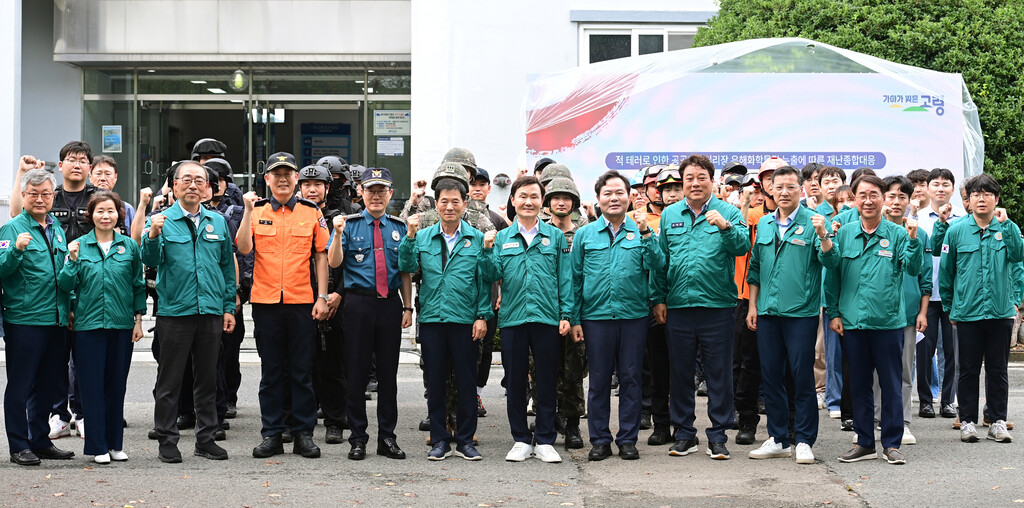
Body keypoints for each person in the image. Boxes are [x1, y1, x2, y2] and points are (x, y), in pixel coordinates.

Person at [651, 154, 749, 461]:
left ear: (712, 181)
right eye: (689, 178)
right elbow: (661, 260)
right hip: (678, 306)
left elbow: (743, 246)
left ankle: (718, 436)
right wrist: (659, 298)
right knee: (680, 374)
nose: (695, 183)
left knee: (719, 374)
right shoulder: (670, 215)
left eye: (701, 177)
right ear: (683, 183)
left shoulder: (729, 211)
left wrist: (725, 228)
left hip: (717, 305)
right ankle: (684, 434)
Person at [237, 153, 331, 460]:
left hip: (302, 301)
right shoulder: (257, 210)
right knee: (272, 372)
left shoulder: (310, 211)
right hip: (266, 303)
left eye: (287, 174)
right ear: (266, 179)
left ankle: (303, 433)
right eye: (275, 174)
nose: (281, 179)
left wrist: (322, 296)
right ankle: (272, 434)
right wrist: (248, 212)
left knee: (302, 372)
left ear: (296, 180)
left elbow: (320, 255)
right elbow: (243, 247)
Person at [142, 161, 236, 463]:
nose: (193, 185)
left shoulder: (218, 221)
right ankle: (167, 439)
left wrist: (228, 306)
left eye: (200, 180)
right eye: (187, 180)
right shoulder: (159, 219)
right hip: (175, 312)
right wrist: (153, 235)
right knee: (170, 380)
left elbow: (226, 267)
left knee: (207, 379)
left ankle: (206, 438)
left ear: (208, 187)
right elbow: (148, 259)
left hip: (209, 311)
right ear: (174, 185)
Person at [827, 175, 922, 465]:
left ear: (883, 198)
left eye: (874, 195)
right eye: (862, 195)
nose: (868, 201)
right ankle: (864, 441)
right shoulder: (844, 233)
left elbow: (913, 267)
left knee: (892, 385)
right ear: (854, 199)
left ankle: (891, 443)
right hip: (853, 322)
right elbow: (833, 275)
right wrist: (833, 312)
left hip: (888, 322)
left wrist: (914, 238)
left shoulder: (898, 233)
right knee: (858, 385)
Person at [745, 165, 837, 464]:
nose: (784, 192)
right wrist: (752, 305)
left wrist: (823, 234)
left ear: (802, 190)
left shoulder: (814, 224)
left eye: (790, 187)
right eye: (778, 187)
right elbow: (755, 268)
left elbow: (830, 260)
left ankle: (804, 439)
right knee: (771, 376)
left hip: (800, 314)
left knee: (801, 377)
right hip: (768, 312)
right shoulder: (766, 225)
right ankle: (778, 438)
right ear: (770, 190)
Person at [480, 175, 572, 464]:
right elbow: (490, 275)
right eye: (523, 196)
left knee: (546, 380)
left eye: (534, 196)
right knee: (516, 382)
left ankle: (545, 439)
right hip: (513, 319)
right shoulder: (502, 237)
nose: (528, 201)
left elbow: (565, 278)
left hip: (546, 318)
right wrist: (485, 250)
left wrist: (566, 313)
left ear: (541, 202)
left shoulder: (554, 236)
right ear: (513, 201)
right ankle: (520, 438)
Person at [400, 178, 491, 461]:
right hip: (433, 319)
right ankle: (439, 440)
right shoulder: (424, 236)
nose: (449, 207)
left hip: (465, 320)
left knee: (466, 382)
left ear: (465, 204)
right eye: (444, 201)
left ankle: (465, 441)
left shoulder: (477, 238)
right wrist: (410, 236)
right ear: (435, 204)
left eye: (455, 201)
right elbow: (406, 266)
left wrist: (482, 316)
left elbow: (484, 282)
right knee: (436, 383)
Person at [570, 171, 659, 461]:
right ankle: (599, 439)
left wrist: (646, 233)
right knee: (597, 381)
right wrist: (575, 319)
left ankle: (628, 439)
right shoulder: (585, 234)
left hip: (633, 317)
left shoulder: (641, 231)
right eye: (607, 193)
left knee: (631, 378)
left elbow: (657, 264)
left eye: (619, 192)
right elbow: (575, 279)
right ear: (598, 199)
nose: (614, 198)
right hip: (596, 317)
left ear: (629, 196)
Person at [328, 167, 413, 461]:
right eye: (370, 190)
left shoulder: (399, 228)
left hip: (389, 304)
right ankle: (358, 438)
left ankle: (387, 437)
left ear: (390, 194)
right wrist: (337, 235)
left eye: (381, 191)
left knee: (389, 376)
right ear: (360, 193)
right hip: (358, 305)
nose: (376, 196)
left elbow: (404, 272)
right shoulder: (348, 224)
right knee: (356, 374)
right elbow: (334, 261)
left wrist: (407, 306)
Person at [14, 143, 98, 442]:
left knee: (87, 360)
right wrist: (22, 173)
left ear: (91, 167)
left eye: (83, 161)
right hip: (53, 297)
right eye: (71, 160)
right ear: (60, 165)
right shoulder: (47, 197)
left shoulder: (98, 199)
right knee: (54, 366)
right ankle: (59, 416)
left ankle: (85, 414)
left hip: (89, 291)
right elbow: (16, 218)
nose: (77, 165)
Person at [57, 191, 146, 464]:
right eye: (99, 211)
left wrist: (139, 319)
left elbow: (137, 285)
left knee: (116, 385)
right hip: (88, 325)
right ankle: (97, 446)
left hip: (121, 325)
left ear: (119, 214)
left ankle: (114, 444)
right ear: (90, 215)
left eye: (110, 211)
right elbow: (65, 285)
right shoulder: (77, 246)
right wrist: (71, 261)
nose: (105, 216)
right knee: (91, 387)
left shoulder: (129, 247)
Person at [936, 174, 1023, 443]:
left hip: (999, 312)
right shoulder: (956, 231)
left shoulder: (1008, 228)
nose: (981, 198)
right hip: (968, 312)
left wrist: (1016, 301)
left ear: (996, 199)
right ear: (969, 201)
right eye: (976, 194)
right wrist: (951, 307)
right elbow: (947, 274)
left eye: (987, 194)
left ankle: (997, 420)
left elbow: (1019, 257)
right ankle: (968, 421)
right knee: (968, 368)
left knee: (998, 369)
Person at [1, 168, 76, 466]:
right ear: (23, 196)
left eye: (46, 193)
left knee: (48, 385)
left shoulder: (55, 227)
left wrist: (70, 308)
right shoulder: (11, 229)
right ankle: (18, 445)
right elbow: (2, 271)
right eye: (34, 194)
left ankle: (40, 441)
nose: (40, 199)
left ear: (53, 195)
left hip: (56, 319)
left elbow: (62, 275)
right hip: (25, 320)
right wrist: (16, 251)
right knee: (21, 385)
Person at [733, 158, 784, 445]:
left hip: (786, 303)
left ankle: (786, 425)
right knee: (747, 364)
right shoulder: (753, 216)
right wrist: (742, 206)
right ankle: (747, 421)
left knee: (784, 365)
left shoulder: (804, 218)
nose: (773, 184)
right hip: (747, 298)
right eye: (768, 178)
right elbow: (743, 247)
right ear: (763, 184)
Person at [296, 164, 349, 445]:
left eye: (318, 184)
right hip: (301, 298)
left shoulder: (340, 219)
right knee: (304, 363)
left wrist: (338, 294)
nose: (312, 189)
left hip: (336, 301)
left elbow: (352, 262)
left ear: (328, 188)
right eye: (306, 184)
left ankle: (335, 420)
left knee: (333, 364)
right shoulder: (294, 216)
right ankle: (301, 420)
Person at [877, 175, 931, 446]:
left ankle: (903, 422)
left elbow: (924, 278)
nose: (896, 202)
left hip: (908, 313)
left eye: (902, 197)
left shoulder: (919, 233)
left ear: (911, 202)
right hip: (877, 313)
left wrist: (922, 312)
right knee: (875, 372)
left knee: (904, 370)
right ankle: (877, 420)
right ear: (882, 199)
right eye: (891, 196)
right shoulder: (873, 228)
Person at [913, 168, 962, 420]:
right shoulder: (917, 218)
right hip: (925, 296)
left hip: (953, 297)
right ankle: (925, 400)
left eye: (946, 184)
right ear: (928, 189)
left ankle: (947, 401)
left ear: (953, 189)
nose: (940, 188)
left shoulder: (964, 219)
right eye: (936, 184)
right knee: (924, 350)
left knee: (952, 352)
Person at [543, 176, 587, 450]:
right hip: (546, 311)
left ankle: (572, 424)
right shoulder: (540, 232)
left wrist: (575, 317)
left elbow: (584, 276)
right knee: (543, 370)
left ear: (574, 204)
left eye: (567, 198)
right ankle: (548, 419)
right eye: (556, 198)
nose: (561, 202)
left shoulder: (585, 233)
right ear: (547, 203)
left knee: (574, 371)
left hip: (577, 313)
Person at [641, 167, 683, 445]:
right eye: (666, 190)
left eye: (676, 188)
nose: (671, 194)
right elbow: (654, 267)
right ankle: (660, 424)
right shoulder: (646, 222)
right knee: (656, 368)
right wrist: (657, 299)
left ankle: (682, 425)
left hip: (684, 303)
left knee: (680, 369)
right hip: (657, 303)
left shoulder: (693, 219)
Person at [468, 167, 508, 417]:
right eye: (473, 183)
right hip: (462, 294)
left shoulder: (496, 220)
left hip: (490, 294)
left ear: (489, 188)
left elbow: (506, 257)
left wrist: (503, 290)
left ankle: (477, 394)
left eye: (483, 184)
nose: (478, 188)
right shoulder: (455, 216)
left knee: (484, 349)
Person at [89, 156, 135, 233]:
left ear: (115, 177)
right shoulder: (83, 205)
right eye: (98, 173)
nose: (103, 178)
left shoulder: (126, 208)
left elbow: (136, 239)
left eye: (108, 174)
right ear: (90, 177)